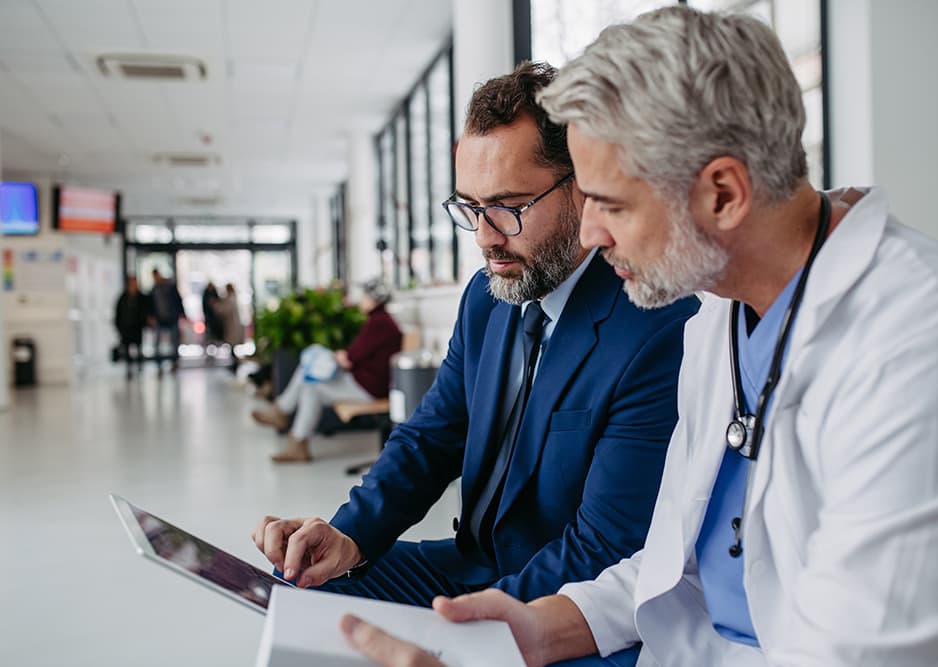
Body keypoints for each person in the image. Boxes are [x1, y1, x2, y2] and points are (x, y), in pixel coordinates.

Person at [342, 6, 938, 666]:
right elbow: (670, 567)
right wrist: (535, 629)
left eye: (613, 204)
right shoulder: (720, 309)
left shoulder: (925, 341)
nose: (592, 235)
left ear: (722, 194)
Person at [251, 62, 699, 606]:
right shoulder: (488, 300)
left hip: (560, 596)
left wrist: (470, 622)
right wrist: (350, 536)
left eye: (509, 207)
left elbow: (604, 548)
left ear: (583, 190)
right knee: (299, 591)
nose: (486, 237)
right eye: (471, 207)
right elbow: (431, 437)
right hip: (468, 565)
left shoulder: (655, 330)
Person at [252, 279, 403, 463]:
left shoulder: (379, 323)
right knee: (310, 378)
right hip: (366, 381)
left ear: (374, 299)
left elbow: (351, 358)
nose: (360, 300)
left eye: (364, 296)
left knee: (310, 381)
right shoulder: (382, 321)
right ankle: (293, 435)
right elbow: (356, 355)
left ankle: (285, 417)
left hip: (369, 388)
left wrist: (341, 356)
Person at [149, 268, 185, 375]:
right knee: (158, 344)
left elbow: (178, 300)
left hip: (172, 318)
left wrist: (181, 314)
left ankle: (174, 362)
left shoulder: (170, 287)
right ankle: (159, 365)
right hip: (160, 319)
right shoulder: (154, 289)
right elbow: (152, 305)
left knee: (174, 342)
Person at [114, 274, 148, 380]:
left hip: (137, 327)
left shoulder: (141, 297)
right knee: (128, 349)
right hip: (126, 328)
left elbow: (145, 312)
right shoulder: (123, 297)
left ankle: (139, 367)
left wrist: (144, 322)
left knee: (138, 348)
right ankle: (129, 369)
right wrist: (118, 326)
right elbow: (118, 313)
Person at [212, 283, 244, 374]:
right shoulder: (233, 298)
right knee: (232, 347)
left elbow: (224, 311)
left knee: (232, 346)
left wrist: (216, 306)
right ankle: (235, 364)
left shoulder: (230, 299)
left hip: (232, 326)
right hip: (232, 326)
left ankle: (236, 364)